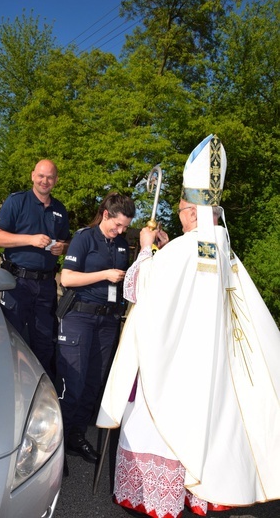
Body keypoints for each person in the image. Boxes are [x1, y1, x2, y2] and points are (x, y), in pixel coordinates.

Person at [97, 135, 280, 518]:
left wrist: (147, 247)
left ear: (193, 212)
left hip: (173, 364)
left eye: (181, 207)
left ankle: (154, 498)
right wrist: (167, 247)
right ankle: (193, 491)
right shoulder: (222, 247)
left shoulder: (182, 250)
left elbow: (138, 287)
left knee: (160, 425)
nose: (179, 213)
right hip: (207, 364)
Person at [56, 191, 136, 468]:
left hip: (108, 321)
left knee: (93, 384)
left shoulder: (123, 245)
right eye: (118, 225)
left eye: (125, 226)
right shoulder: (84, 238)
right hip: (80, 317)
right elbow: (66, 277)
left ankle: (75, 437)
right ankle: (55, 445)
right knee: (73, 384)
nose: (121, 230)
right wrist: (104, 274)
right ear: (105, 215)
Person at [0, 159, 70, 382]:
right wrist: (30, 239)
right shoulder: (17, 201)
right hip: (16, 282)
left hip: (45, 286)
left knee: (44, 342)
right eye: (41, 176)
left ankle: (38, 392)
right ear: (33, 175)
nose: (45, 181)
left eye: (50, 177)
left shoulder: (60, 210)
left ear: (56, 180)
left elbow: (64, 243)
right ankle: (2, 382)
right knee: (8, 337)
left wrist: (61, 248)